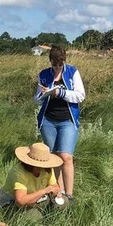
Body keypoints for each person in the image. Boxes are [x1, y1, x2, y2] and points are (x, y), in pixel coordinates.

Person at [34, 45, 85, 204]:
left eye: (59, 65)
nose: (56, 68)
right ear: (50, 61)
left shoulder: (72, 72)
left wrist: (60, 92)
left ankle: (69, 195)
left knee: (66, 156)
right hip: (48, 120)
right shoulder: (43, 74)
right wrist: (42, 94)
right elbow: (36, 99)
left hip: (67, 120)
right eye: (54, 64)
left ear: (64, 61)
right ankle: (59, 193)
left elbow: (80, 96)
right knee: (54, 157)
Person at [0, 142, 64, 221]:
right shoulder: (19, 173)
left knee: (63, 202)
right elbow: (20, 201)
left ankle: (50, 219)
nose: (40, 168)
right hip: (12, 203)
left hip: (37, 199)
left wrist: (56, 191)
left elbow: (55, 186)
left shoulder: (48, 169)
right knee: (34, 216)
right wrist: (45, 191)